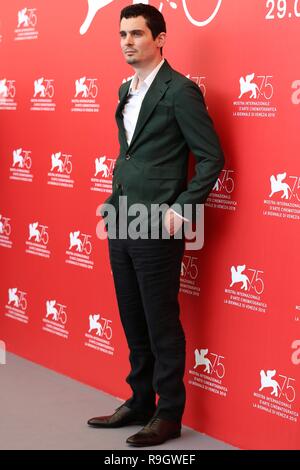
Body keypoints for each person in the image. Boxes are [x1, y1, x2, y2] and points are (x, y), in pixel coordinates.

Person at [88, 3, 224, 447]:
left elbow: (211, 157)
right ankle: (140, 399)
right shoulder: (126, 88)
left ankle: (168, 414)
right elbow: (131, 154)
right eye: (123, 34)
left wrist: (183, 207)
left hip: (157, 224)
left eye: (137, 34)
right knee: (132, 317)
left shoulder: (180, 91)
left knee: (160, 320)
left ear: (160, 38)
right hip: (123, 218)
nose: (128, 41)